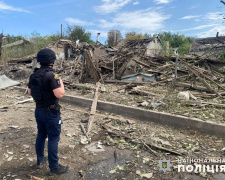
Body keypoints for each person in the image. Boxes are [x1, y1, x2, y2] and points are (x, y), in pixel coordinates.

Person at [28, 48, 69, 175]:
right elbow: (60, 94)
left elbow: (29, 92)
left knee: (41, 135)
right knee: (53, 138)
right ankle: (54, 168)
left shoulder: (33, 74)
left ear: (40, 60)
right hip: (50, 113)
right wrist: (60, 82)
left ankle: (40, 161)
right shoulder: (52, 75)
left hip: (38, 111)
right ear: (52, 60)